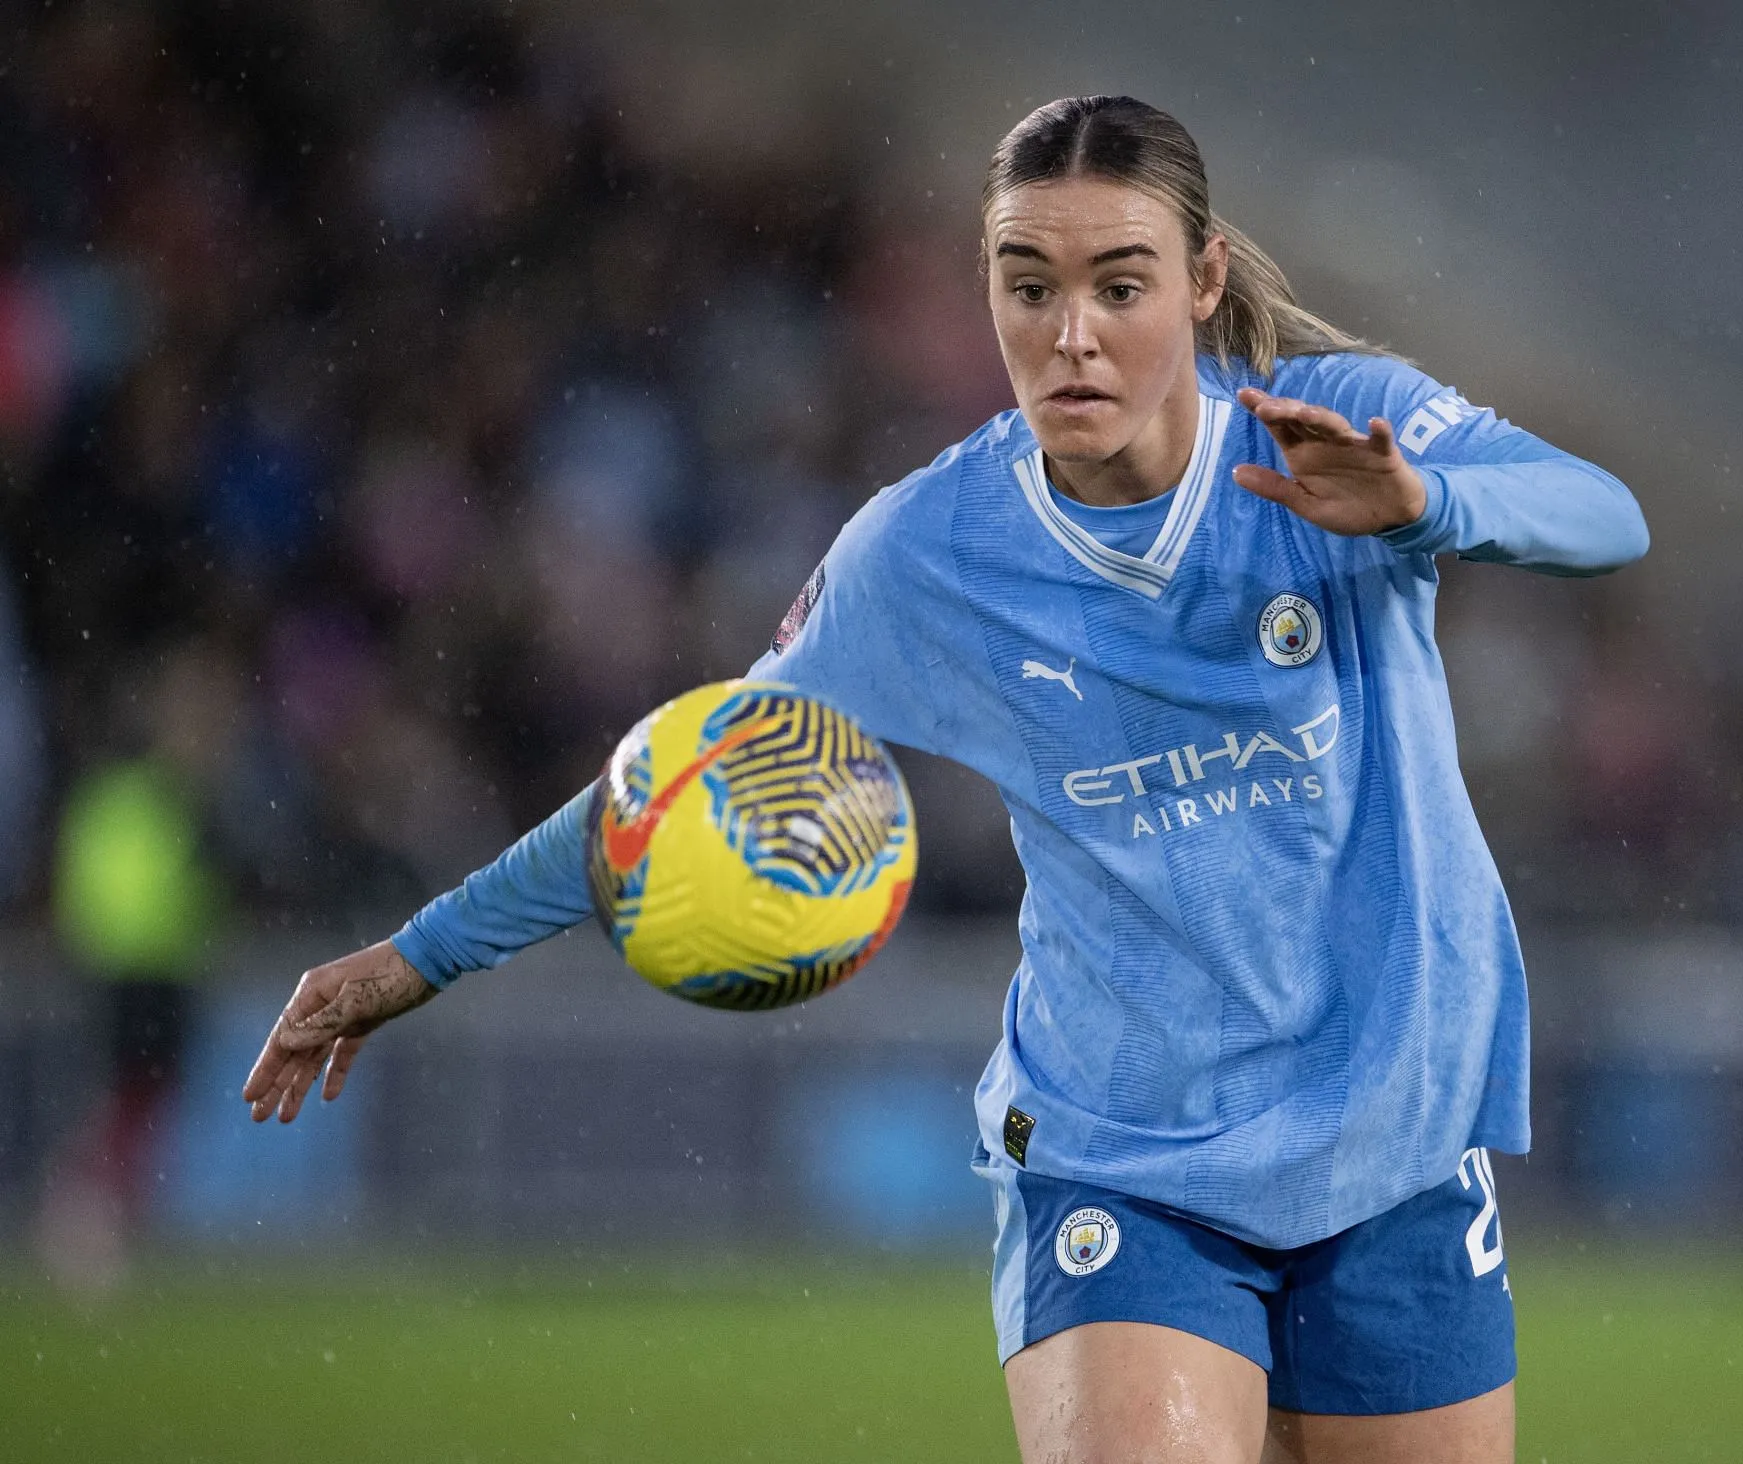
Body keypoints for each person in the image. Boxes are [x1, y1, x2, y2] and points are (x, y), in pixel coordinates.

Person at [245, 96, 1648, 1463]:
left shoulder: (1331, 431)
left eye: (1120, 283)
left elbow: (1606, 515)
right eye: (1028, 286)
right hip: (1125, 1155)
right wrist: (418, 957)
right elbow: (685, 784)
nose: (1071, 334)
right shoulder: (928, 550)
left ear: (1206, 281)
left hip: (1392, 1141)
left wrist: (1430, 502)